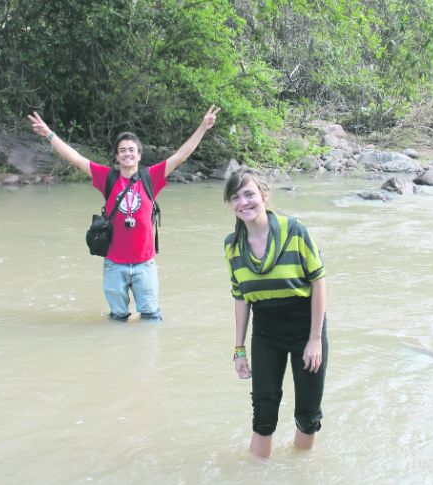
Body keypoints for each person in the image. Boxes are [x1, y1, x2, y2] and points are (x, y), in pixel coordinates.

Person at [28, 105, 220, 322]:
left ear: (139, 155)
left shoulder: (151, 177)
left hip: (145, 264)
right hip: (114, 264)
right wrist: (50, 135)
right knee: (117, 319)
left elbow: (180, 157)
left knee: (151, 318)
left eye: (131, 150)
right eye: (122, 150)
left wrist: (203, 127)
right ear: (117, 157)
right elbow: (76, 159)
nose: (127, 153)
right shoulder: (107, 178)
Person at [223, 168, 329, 459]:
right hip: (266, 331)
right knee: (263, 412)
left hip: (305, 326)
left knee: (308, 414)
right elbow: (241, 297)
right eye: (236, 197)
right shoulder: (232, 247)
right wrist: (239, 349)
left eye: (249, 194)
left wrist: (315, 339)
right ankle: (257, 474)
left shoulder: (294, 230)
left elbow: (318, 283)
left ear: (264, 196)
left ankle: (301, 472)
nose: (243, 202)